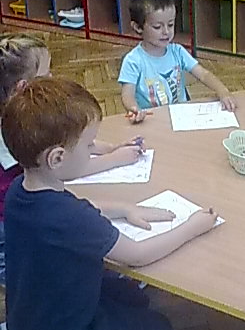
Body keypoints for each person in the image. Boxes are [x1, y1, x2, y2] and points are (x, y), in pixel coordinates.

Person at [2, 77, 219, 330]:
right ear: (57, 158)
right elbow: (138, 255)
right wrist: (192, 227)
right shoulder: (71, 218)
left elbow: (74, 207)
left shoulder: (18, 193)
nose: (94, 150)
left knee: (130, 295)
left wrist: (123, 208)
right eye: (89, 145)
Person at [0, 33, 145, 286]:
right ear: (24, 88)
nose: (53, 78)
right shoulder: (18, 136)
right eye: (46, 75)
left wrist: (111, 148)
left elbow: (66, 145)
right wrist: (114, 159)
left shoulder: (25, 119)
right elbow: (61, 165)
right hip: (16, 239)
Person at [118, 0, 236, 122]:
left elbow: (203, 74)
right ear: (138, 27)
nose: (166, 32)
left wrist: (223, 91)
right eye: (157, 27)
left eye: (170, 24)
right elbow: (127, 95)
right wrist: (134, 109)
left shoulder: (177, 51)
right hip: (152, 120)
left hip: (180, 117)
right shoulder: (133, 61)